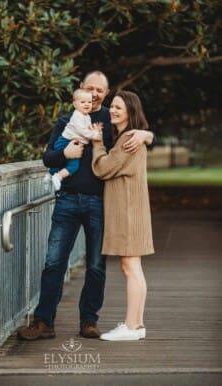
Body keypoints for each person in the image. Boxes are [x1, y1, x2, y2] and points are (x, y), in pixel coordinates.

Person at [17, 71, 154, 341]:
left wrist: (147, 133)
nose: (93, 94)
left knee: (95, 266)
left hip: (100, 203)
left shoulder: (110, 118)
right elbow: (48, 158)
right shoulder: (66, 120)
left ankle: (89, 321)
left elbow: (134, 133)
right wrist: (64, 154)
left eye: (100, 91)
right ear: (81, 88)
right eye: (89, 88)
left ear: (106, 93)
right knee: (54, 262)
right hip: (67, 200)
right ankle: (44, 322)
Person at [91, 91, 154, 341]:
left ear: (130, 111)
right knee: (133, 267)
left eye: (118, 107)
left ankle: (130, 326)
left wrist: (97, 142)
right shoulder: (132, 137)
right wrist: (147, 134)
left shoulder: (129, 138)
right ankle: (137, 325)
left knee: (130, 267)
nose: (113, 111)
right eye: (112, 107)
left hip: (128, 211)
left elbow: (104, 168)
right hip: (131, 209)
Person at [46, 88, 102, 191]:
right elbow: (82, 131)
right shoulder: (77, 116)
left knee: (66, 162)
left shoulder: (87, 117)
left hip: (72, 142)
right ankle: (58, 176)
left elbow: (88, 129)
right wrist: (94, 135)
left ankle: (50, 175)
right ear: (75, 104)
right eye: (83, 102)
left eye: (89, 102)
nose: (87, 104)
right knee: (73, 166)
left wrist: (95, 131)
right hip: (65, 141)